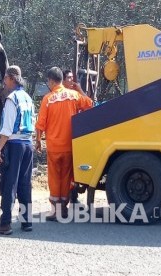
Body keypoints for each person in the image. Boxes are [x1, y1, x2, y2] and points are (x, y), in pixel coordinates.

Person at [35, 67, 93, 220]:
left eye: (48, 81)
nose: (48, 83)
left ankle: (55, 211)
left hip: (54, 147)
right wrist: (80, 89)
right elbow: (89, 104)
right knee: (66, 177)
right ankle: (64, 208)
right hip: (69, 146)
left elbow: (40, 123)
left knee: (55, 178)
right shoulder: (74, 96)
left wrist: (38, 142)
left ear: (52, 81)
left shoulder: (47, 99)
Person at [0, 65, 35, 235]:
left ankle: (5, 224)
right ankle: (26, 222)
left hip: (15, 146)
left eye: (5, 79)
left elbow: (7, 130)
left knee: (9, 184)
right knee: (25, 184)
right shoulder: (28, 98)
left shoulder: (12, 99)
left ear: (11, 78)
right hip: (28, 145)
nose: (3, 83)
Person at [62, 69, 84, 204]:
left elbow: (88, 103)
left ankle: (73, 195)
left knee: (73, 169)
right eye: (69, 78)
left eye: (72, 78)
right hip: (62, 139)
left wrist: (80, 90)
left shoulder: (75, 95)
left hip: (74, 136)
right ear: (63, 80)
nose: (72, 80)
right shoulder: (56, 96)